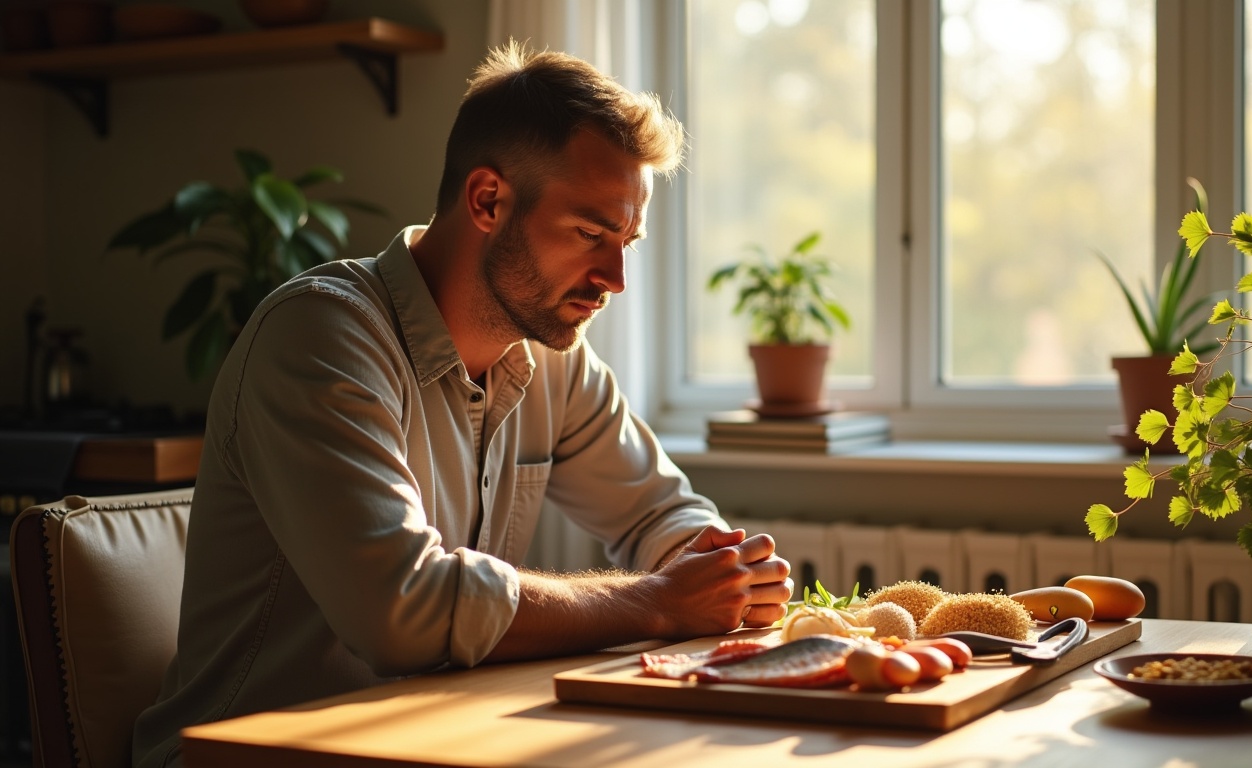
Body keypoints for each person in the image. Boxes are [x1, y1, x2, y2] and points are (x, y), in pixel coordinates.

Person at [132, 42, 792, 768]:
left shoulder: (551, 358)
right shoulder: (321, 335)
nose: (615, 277)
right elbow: (401, 610)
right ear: (487, 201)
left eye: (626, 241)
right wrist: (661, 601)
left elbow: (658, 513)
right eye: (590, 234)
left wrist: (723, 568)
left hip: (432, 742)